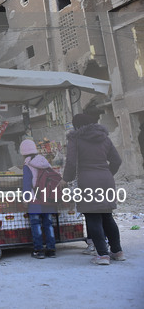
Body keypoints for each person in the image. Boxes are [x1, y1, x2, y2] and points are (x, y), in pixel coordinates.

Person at [60, 113, 124, 265]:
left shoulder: (75, 139)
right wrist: (107, 173)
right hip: (106, 180)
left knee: (93, 217)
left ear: (76, 126)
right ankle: (117, 251)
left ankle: (102, 255)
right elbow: (117, 160)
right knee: (107, 216)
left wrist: (65, 179)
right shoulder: (104, 137)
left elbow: (71, 163)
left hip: (87, 181)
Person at [20, 139, 56, 259]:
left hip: (35, 198)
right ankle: (51, 250)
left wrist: (26, 198)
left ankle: (39, 250)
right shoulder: (44, 161)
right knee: (48, 224)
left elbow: (27, 183)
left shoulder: (28, 164)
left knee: (36, 224)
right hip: (48, 197)